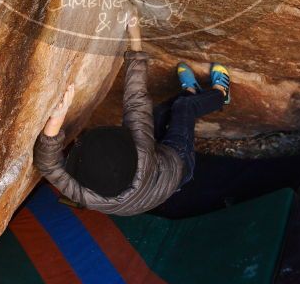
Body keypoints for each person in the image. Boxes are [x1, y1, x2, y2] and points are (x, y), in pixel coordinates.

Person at [33, 19, 230, 216]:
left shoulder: (86, 195)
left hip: (151, 188)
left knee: (161, 113)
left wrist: (55, 120)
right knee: (182, 108)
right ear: (132, 147)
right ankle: (220, 93)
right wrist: (135, 40)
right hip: (177, 165)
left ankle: (191, 91)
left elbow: (47, 164)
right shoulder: (141, 149)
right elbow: (136, 100)